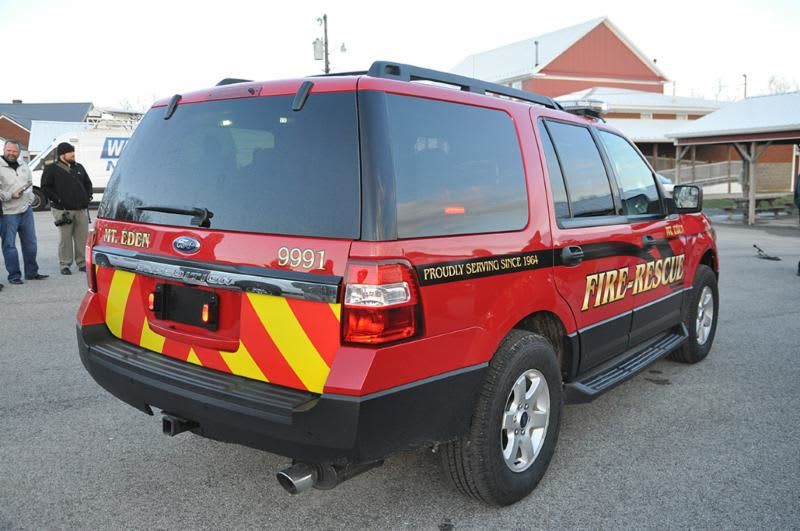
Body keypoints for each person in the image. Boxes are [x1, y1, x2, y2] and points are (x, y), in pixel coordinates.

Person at [0, 140, 48, 284]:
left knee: (31, 243)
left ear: (19, 152)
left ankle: (31, 273)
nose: (11, 153)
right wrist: (10, 195)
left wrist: (30, 199)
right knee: (9, 246)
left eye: (14, 151)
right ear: (4, 150)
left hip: (26, 211)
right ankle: (14, 276)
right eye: (9, 150)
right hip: (8, 213)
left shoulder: (24, 166)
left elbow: (29, 185)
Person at [41, 142, 93, 275]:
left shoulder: (79, 167)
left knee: (82, 238)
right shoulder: (51, 169)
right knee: (65, 239)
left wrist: (88, 197)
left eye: (73, 152)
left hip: (81, 209)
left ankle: (82, 263)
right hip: (63, 210)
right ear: (62, 154)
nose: (73, 154)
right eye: (70, 152)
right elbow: (45, 187)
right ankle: (65, 264)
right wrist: (58, 199)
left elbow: (88, 183)